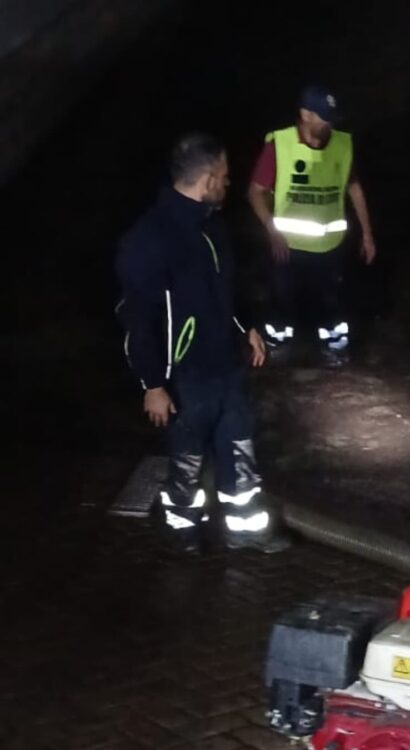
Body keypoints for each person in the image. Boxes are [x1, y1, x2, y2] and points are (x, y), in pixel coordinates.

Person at [115, 132, 290, 556]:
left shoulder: (213, 225)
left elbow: (225, 291)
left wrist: (245, 327)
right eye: (226, 176)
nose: (230, 184)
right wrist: (152, 385)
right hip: (184, 381)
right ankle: (181, 533)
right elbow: (138, 320)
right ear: (208, 178)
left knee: (239, 451)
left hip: (227, 369)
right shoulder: (149, 240)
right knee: (187, 464)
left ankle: (245, 531)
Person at [247, 85, 376, 354]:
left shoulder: (341, 144)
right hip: (287, 245)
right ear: (305, 115)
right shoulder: (280, 145)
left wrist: (367, 233)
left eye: (331, 117)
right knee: (282, 299)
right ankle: (278, 341)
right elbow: (255, 192)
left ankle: (334, 340)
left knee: (331, 299)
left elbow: (354, 187)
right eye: (323, 117)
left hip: (329, 245)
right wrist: (271, 229)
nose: (329, 123)